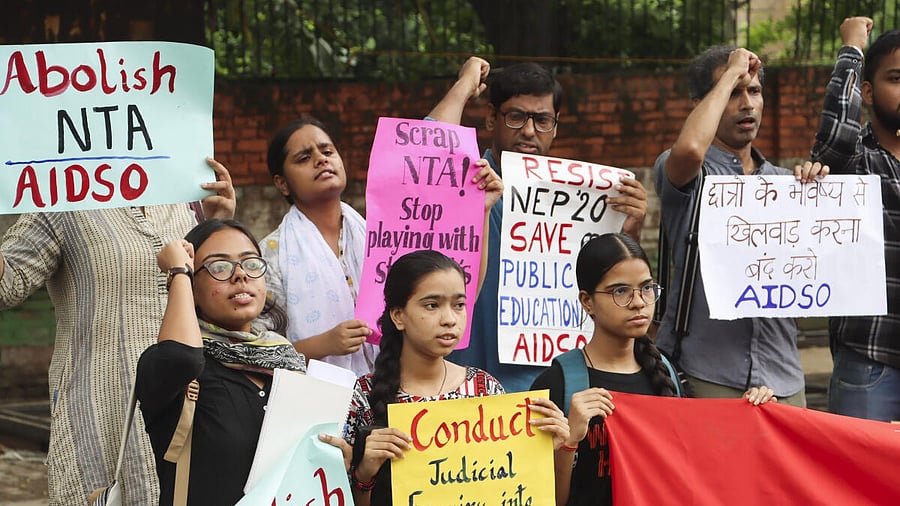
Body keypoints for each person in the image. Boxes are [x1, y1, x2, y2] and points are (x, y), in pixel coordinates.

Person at [0, 158, 235, 505]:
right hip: (102, 404)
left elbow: (220, 301)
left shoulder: (184, 197)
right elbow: (8, 286)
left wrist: (216, 224)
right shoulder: (65, 198)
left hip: (191, 401)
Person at [429, 58, 649, 392]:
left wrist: (629, 229)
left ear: (556, 126)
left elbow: (609, 287)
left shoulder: (580, 198)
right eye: (516, 117)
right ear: (491, 117)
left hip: (557, 391)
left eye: (542, 120)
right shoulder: (470, 179)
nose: (530, 131)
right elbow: (429, 146)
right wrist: (464, 85)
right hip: (471, 389)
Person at [531, 233, 776, 506]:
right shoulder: (558, 385)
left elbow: (696, 469)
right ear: (587, 301)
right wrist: (570, 442)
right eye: (620, 291)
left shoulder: (666, 373)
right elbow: (540, 498)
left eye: (647, 288)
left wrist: (751, 417)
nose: (638, 302)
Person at [653, 45, 825, 406]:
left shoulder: (785, 183)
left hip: (784, 375)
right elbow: (689, 152)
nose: (747, 104)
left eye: (755, 91)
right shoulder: (688, 173)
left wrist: (816, 194)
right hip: (709, 373)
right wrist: (733, 69)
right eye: (733, 93)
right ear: (705, 102)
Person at [135, 219, 350, 505]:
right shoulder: (173, 370)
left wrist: (337, 461)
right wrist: (178, 272)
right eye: (219, 267)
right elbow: (182, 356)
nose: (240, 276)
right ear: (192, 287)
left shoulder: (288, 364)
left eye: (250, 263)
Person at [342, 250, 570, 506]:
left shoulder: (485, 389)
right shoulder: (362, 395)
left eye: (459, 305)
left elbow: (515, 488)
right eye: (432, 305)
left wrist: (550, 449)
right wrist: (364, 473)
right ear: (398, 316)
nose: (450, 319)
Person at [807, 16, 900, 422]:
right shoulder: (857, 161)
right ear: (867, 90)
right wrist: (852, 50)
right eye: (896, 79)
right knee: (858, 483)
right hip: (871, 362)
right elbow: (833, 142)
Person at [255, 117, 378, 377]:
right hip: (318, 406)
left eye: (327, 151)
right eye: (303, 158)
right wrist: (324, 345)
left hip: (390, 395)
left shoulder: (379, 238)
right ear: (282, 183)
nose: (321, 159)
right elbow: (256, 350)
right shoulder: (270, 255)